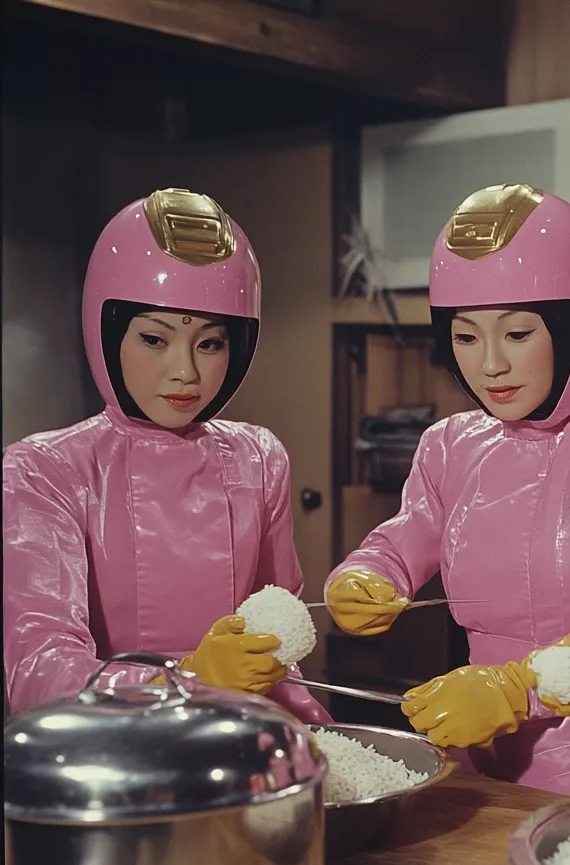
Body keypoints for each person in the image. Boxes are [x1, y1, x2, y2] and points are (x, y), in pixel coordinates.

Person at [325, 183, 570, 795]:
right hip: (473, 749)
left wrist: (521, 688)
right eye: (466, 337)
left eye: (518, 335)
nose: (490, 364)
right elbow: (401, 541)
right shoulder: (449, 444)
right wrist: (365, 577)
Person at [3, 187, 331, 724]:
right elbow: (40, 676)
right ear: (107, 334)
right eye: (155, 340)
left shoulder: (259, 457)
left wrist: (317, 734)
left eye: (209, 343)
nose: (186, 372)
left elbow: (275, 646)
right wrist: (191, 678)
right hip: (107, 755)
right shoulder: (44, 469)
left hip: (237, 740)